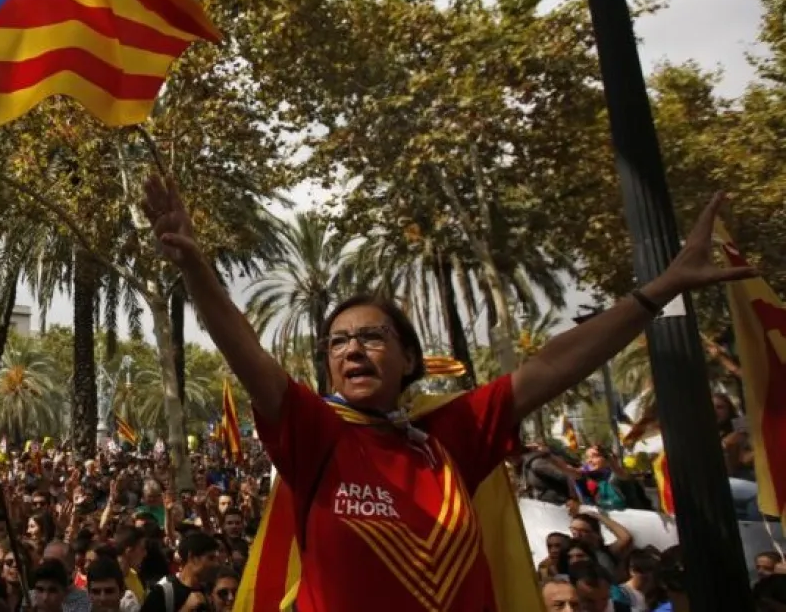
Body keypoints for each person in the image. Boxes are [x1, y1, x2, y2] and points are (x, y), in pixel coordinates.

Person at [142, 176, 753, 612]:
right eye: (337, 342)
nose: (353, 349)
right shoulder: (314, 432)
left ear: (410, 358)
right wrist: (196, 265)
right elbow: (246, 354)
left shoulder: (450, 434)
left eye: (373, 337)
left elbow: (555, 364)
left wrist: (661, 288)